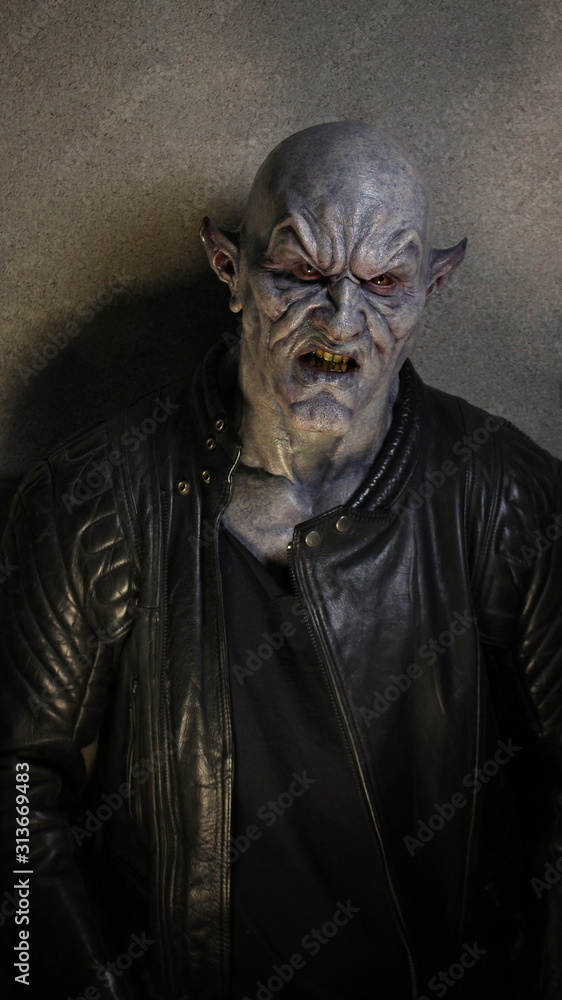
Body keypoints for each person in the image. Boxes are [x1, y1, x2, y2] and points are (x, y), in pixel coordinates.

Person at [0, 121, 561, 1000]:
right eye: (299, 271)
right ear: (229, 269)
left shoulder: (510, 498)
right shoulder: (92, 501)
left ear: (434, 286)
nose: (341, 317)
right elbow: (16, 791)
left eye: (385, 281)